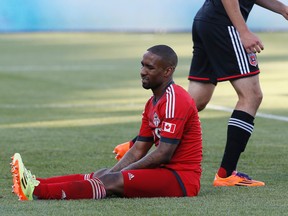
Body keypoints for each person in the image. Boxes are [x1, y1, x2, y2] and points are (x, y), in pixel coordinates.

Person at [114, 0, 288, 187]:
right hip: (224, 24)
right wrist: (243, 31)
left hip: (206, 22)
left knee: (195, 101)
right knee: (252, 96)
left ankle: (134, 146)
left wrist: (282, 9)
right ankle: (226, 174)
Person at [11, 45, 203, 201]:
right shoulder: (151, 103)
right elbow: (138, 149)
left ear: (167, 71)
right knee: (103, 173)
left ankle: (37, 193)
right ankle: (35, 183)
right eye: (142, 65)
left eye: (150, 68)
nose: (143, 72)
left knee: (111, 179)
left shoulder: (176, 99)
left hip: (182, 178)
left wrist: (123, 172)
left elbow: (164, 154)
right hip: (165, 172)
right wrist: (114, 171)